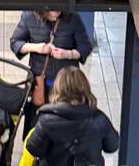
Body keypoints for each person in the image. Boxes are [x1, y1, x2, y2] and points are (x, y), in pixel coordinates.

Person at [11, 7, 93, 135]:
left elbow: (85, 47)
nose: (56, 13)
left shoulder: (73, 18)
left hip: (66, 86)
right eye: (52, 11)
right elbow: (15, 42)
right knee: (36, 126)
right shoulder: (29, 16)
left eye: (59, 10)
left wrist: (68, 54)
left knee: (63, 129)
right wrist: (37, 48)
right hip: (40, 85)